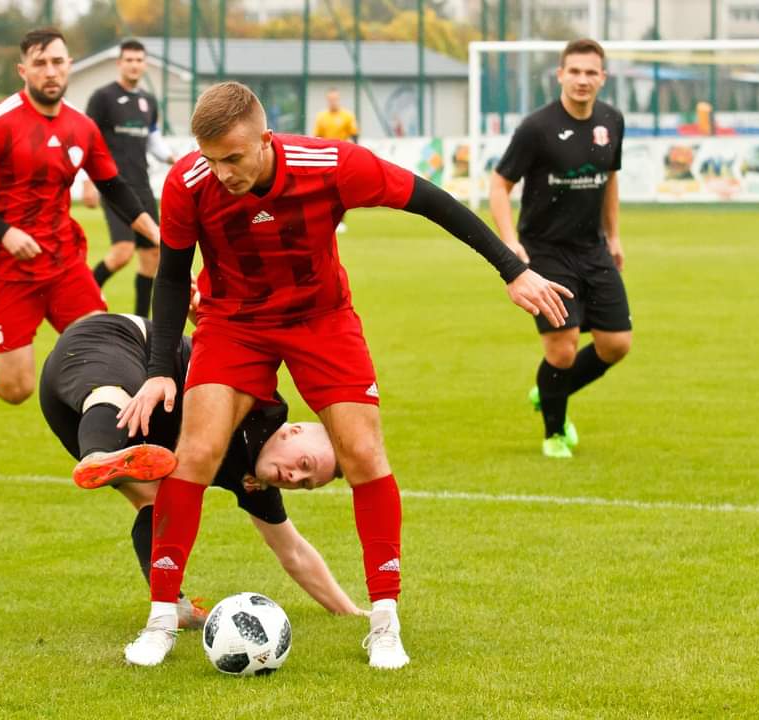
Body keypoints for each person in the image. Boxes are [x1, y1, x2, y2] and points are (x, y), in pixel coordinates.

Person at [115, 81, 572, 670]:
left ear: (265, 140)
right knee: (197, 452)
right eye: (210, 158)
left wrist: (512, 270)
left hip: (321, 321)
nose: (221, 172)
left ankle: (385, 622)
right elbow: (173, 275)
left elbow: (432, 201)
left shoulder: (331, 164)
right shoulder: (188, 182)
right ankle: (160, 620)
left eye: (233, 158)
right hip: (234, 324)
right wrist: (160, 370)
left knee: (362, 453)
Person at [38, 312, 364, 624]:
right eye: (304, 464)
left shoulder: (255, 479)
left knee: (156, 503)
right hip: (113, 343)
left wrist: (350, 612)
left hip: (67, 415)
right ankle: (98, 456)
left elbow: (293, 551)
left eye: (305, 483)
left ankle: (173, 604)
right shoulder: (259, 402)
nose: (294, 477)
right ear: (293, 431)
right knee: (117, 396)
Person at [0, 28, 159, 410]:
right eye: (39, 63)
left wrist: (157, 234)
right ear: (23, 70)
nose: (50, 71)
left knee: (104, 353)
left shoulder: (82, 126)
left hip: (64, 264)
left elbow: (113, 187)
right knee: (16, 388)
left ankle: (100, 438)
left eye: (57, 62)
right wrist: (5, 233)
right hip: (8, 270)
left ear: (69, 66)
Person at [489, 38, 631, 459]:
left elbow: (609, 179)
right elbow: (499, 184)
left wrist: (615, 235)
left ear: (602, 78)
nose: (582, 80)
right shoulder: (537, 128)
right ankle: (554, 433)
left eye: (591, 73)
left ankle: (551, 389)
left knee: (616, 345)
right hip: (545, 250)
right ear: (560, 75)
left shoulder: (612, 121)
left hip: (593, 248)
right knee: (562, 347)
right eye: (575, 72)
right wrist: (510, 241)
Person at [84, 39, 175, 317]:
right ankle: (82, 300)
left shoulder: (148, 102)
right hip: (114, 187)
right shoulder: (103, 98)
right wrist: (88, 182)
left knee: (153, 254)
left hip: (142, 186)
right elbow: (88, 140)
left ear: (144, 64)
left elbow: (153, 140)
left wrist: (174, 159)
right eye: (129, 60)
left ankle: (140, 321)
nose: (134, 65)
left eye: (139, 60)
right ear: (119, 63)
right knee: (123, 251)